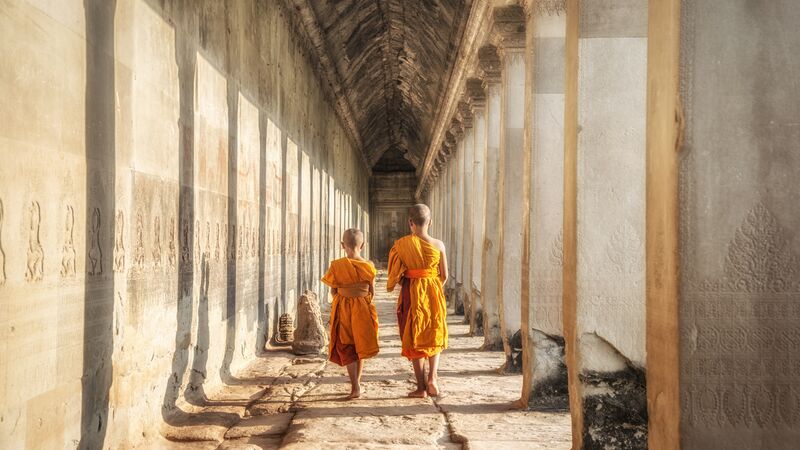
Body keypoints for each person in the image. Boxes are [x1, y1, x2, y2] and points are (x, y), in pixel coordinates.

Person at [387, 204, 448, 398]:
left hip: (411, 292)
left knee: (414, 335)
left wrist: (412, 280)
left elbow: (395, 275)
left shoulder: (402, 245)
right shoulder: (439, 245)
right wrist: (432, 287)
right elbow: (444, 275)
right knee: (434, 333)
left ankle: (421, 388)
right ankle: (433, 379)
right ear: (430, 222)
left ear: (410, 223)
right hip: (433, 292)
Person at [321, 228, 379, 399]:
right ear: (363, 245)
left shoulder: (336, 266)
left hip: (344, 309)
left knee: (347, 345)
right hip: (363, 309)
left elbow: (333, 291)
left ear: (342, 245)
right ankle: (357, 384)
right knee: (359, 345)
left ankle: (355, 387)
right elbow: (372, 291)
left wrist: (344, 298)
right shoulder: (369, 265)